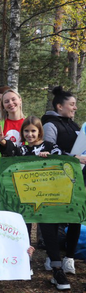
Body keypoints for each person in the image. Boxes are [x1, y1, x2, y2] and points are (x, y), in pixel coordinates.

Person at [41, 86, 82, 278]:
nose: (75, 108)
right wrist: (72, 157)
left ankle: (69, 257)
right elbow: (49, 149)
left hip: (76, 179)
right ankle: (53, 255)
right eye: (71, 104)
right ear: (59, 106)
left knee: (75, 217)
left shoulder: (75, 126)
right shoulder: (50, 125)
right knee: (55, 218)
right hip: (56, 180)